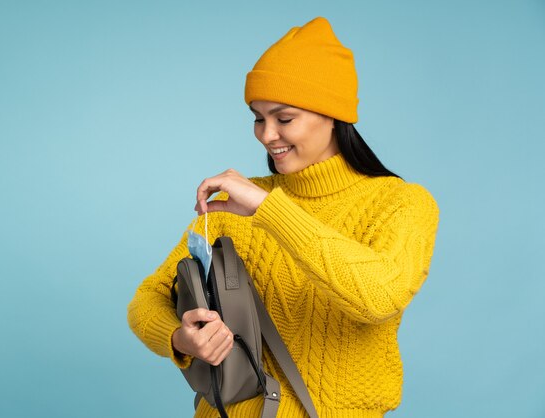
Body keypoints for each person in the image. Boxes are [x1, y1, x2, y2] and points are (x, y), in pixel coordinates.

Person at [128, 16, 439, 418]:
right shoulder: (232, 206)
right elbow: (148, 298)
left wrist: (268, 209)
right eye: (258, 118)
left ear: (333, 114)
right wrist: (179, 338)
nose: (266, 134)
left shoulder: (401, 204)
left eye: (284, 118)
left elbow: (378, 297)